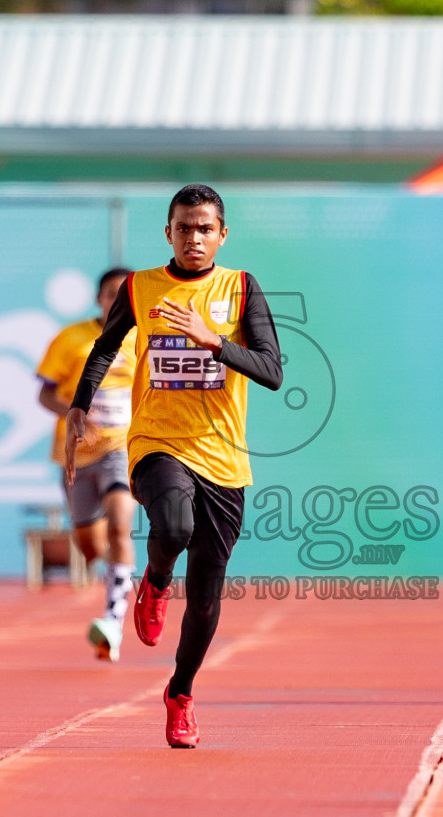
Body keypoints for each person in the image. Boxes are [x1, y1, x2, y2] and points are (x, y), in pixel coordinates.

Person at [65, 184, 282, 747]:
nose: (194, 238)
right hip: (157, 442)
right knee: (174, 526)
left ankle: (180, 693)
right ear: (168, 232)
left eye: (204, 228)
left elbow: (271, 370)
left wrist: (213, 341)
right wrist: (80, 407)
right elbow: (105, 348)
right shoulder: (140, 288)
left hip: (223, 455)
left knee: (208, 591)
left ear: (222, 235)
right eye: (184, 228)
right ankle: (156, 581)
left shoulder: (240, 288)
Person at [36, 267, 140, 661]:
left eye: (124, 295)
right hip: (77, 453)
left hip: (121, 447)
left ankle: (113, 620)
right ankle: (121, 578)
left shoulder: (142, 337)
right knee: (91, 546)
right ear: (98, 298)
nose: (117, 301)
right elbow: (44, 395)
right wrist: (73, 412)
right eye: (110, 294)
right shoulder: (71, 339)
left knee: (120, 525)